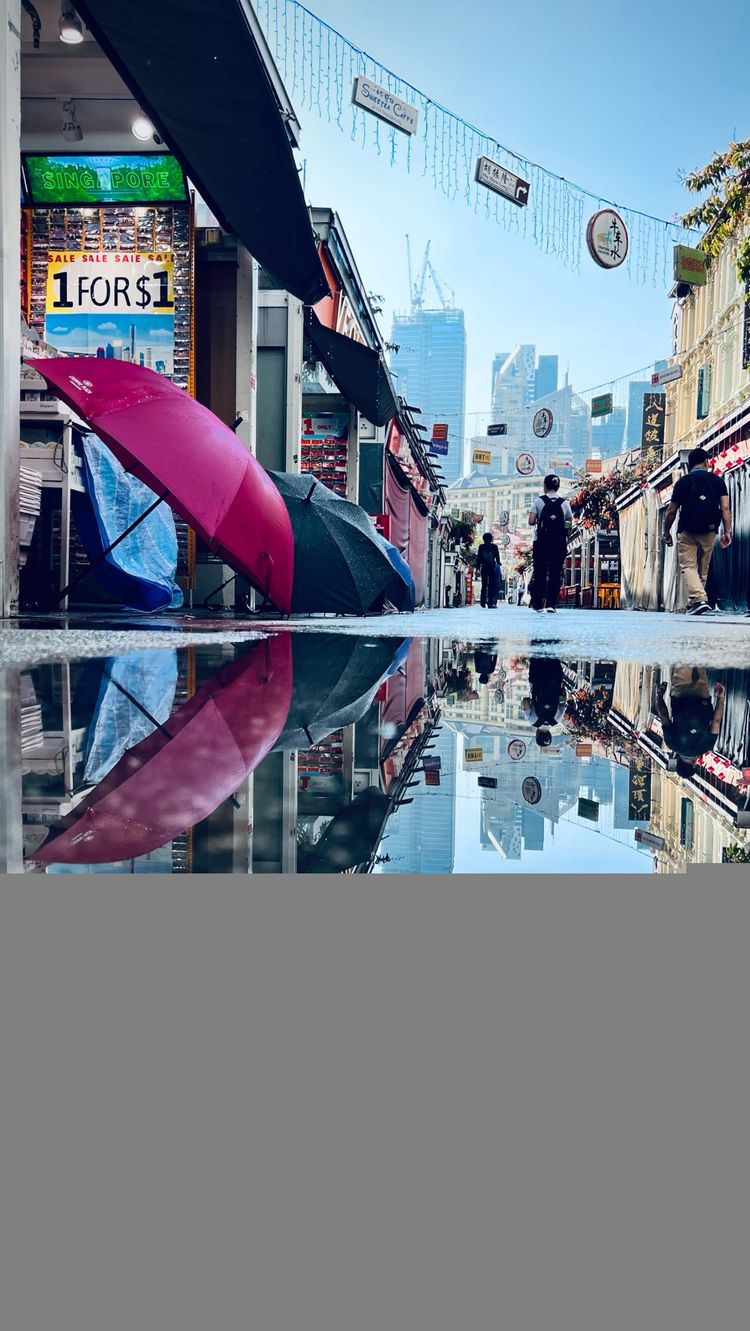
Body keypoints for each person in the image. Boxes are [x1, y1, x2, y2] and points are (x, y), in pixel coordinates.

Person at [662, 447, 731, 616]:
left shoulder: (683, 482)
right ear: (706, 462)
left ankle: (699, 600)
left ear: (690, 464)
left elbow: (671, 511)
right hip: (710, 530)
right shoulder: (717, 481)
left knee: (688, 566)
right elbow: (725, 507)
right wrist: (727, 531)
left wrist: (666, 531)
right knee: (702, 567)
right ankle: (695, 602)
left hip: (687, 529)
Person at [655, 667, 725, 778]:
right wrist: (659, 694)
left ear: (694, 764)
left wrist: (720, 698)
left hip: (702, 697)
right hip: (680, 696)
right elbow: (664, 716)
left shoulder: (706, 746)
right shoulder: (672, 744)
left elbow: (716, 721)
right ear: (678, 761)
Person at [527, 475, 573, 614]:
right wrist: (564, 533)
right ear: (558, 487)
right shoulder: (564, 503)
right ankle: (551, 604)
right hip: (558, 544)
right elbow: (569, 523)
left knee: (540, 572)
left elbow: (531, 521)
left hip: (541, 542)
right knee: (555, 573)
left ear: (545, 486)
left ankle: (538, 604)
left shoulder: (539, 501)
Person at [521, 656, 566, 747]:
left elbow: (563, 700)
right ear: (537, 735)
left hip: (555, 679)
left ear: (549, 734)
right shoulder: (532, 721)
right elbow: (525, 702)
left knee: (554, 652)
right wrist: (529, 700)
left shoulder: (557, 720)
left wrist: (561, 688)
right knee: (537, 651)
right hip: (537, 679)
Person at [475, 532, 501, 608]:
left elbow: (479, 558)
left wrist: (478, 567)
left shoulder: (481, 547)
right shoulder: (494, 546)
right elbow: (497, 557)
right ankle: (490, 602)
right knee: (491, 585)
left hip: (484, 567)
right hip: (492, 567)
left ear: (484, 539)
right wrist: (498, 563)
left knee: (484, 585)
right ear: (491, 539)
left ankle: (482, 602)